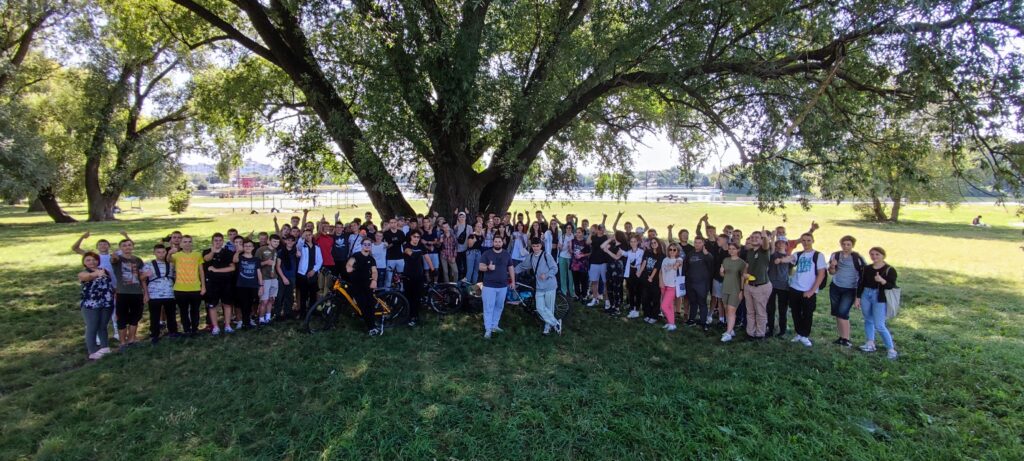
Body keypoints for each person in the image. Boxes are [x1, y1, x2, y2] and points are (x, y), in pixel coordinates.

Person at [856, 247, 899, 359]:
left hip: (879, 297)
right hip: (866, 294)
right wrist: (858, 297)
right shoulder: (867, 268)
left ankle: (891, 350)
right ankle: (870, 343)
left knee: (879, 325)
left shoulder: (889, 269)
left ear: (883, 256)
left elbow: (891, 286)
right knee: (868, 320)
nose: (874, 256)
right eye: (872, 254)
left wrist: (882, 280)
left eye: (877, 254)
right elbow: (861, 283)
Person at [785, 233, 827, 347]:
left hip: (808, 290)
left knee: (808, 313)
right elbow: (790, 259)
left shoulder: (818, 255)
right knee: (795, 312)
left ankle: (805, 335)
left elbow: (821, 274)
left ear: (813, 241)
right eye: (803, 240)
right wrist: (782, 259)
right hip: (795, 288)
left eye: (808, 240)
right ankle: (799, 333)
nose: (806, 243)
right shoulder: (798, 254)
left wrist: (812, 291)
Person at [516, 238, 561, 335]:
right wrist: (511, 271)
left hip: (549, 285)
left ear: (541, 246)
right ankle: (556, 323)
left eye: (537, 246)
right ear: (531, 246)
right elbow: (523, 266)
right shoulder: (530, 256)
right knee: (540, 308)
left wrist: (547, 275)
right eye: (534, 246)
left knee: (549, 308)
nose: (536, 248)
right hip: (539, 286)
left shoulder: (546, 255)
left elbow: (555, 268)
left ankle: (547, 327)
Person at [828, 236, 866, 347]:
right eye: (843, 244)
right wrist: (832, 266)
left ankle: (846, 339)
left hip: (850, 288)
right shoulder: (835, 255)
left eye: (848, 244)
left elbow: (863, 274)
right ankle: (841, 337)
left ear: (852, 245)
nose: (845, 246)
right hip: (835, 286)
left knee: (843, 313)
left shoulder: (857, 257)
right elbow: (832, 272)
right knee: (837, 313)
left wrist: (859, 295)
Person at [108, 239, 145, 347]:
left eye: (129, 245)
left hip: (137, 293)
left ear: (133, 246)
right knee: (122, 318)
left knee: (136, 317)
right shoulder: (118, 259)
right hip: (122, 293)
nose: (127, 247)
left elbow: (141, 276)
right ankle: (123, 342)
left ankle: (131, 339)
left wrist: (145, 292)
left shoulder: (138, 260)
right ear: (120, 248)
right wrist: (114, 256)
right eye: (124, 245)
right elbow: (114, 259)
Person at [78, 252, 114, 360]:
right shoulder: (83, 273)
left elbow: (109, 283)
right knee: (92, 326)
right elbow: (87, 277)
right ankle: (92, 351)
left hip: (106, 302)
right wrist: (97, 273)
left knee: (103, 326)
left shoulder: (105, 271)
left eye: (94, 259)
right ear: (84, 262)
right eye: (88, 260)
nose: (92, 262)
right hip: (90, 304)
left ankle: (104, 347)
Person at [478, 235, 515, 339]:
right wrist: (488, 267)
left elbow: (511, 268)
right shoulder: (487, 253)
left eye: (499, 241)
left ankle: (494, 325)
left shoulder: (506, 254)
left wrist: (513, 281)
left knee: (499, 306)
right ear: (493, 242)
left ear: (502, 243)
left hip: (503, 286)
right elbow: (480, 267)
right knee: (488, 307)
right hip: (489, 286)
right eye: (496, 241)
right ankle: (488, 329)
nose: (497, 243)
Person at [141, 244, 178, 344]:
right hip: (154, 294)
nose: (161, 254)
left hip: (170, 293)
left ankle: (173, 332)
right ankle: (155, 334)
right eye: (158, 252)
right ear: (154, 253)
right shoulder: (148, 264)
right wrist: (146, 294)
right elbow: (142, 279)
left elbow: (176, 277)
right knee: (155, 316)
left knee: (171, 314)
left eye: (163, 252)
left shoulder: (171, 264)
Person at [345, 238, 382, 336]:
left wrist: (374, 280)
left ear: (371, 246)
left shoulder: (371, 259)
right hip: (356, 285)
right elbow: (349, 265)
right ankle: (371, 327)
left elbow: (374, 271)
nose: (367, 246)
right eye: (365, 244)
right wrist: (351, 268)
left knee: (371, 305)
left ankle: (372, 325)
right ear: (361, 245)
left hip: (368, 284)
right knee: (363, 306)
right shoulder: (356, 255)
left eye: (369, 244)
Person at [203, 233, 236, 335]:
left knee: (227, 304)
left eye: (220, 240)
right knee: (212, 305)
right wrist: (213, 252)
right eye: (216, 240)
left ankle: (227, 325)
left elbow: (232, 268)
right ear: (212, 241)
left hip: (226, 282)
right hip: (212, 283)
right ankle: (215, 327)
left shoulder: (228, 252)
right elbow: (206, 259)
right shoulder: (207, 251)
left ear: (223, 241)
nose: (218, 242)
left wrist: (216, 270)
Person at [742, 231, 773, 339]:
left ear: (761, 239)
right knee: (750, 311)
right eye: (752, 237)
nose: (754, 239)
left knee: (760, 312)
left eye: (757, 237)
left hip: (761, 286)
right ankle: (750, 333)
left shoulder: (764, 250)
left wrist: (765, 237)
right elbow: (747, 265)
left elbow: (766, 245)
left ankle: (760, 334)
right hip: (749, 285)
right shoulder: (750, 251)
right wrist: (744, 274)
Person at [171, 235, 205, 335]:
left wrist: (203, 286)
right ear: (181, 244)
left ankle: (194, 328)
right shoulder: (176, 255)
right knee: (183, 311)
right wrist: (169, 253)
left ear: (192, 243)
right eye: (185, 242)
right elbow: (168, 260)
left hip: (195, 288)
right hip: (180, 289)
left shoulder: (198, 255)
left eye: (189, 241)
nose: (187, 244)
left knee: (195, 310)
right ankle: (186, 329)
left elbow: (201, 271)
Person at [402, 230, 432, 326]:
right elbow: (411, 254)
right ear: (411, 237)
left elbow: (427, 257)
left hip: (419, 275)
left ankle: (415, 316)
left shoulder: (421, 246)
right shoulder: (406, 245)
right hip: (408, 275)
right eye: (414, 236)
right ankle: (408, 316)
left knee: (417, 297)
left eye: (418, 237)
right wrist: (420, 252)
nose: (416, 238)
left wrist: (432, 269)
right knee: (409, 296)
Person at [683, 236, 714, 330]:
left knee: (702, 302)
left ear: (703, 243)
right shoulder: (690, 253)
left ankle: (703, 322)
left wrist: (707, 255)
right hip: (691, 282)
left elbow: (711, 263)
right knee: (693, 302)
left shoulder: (706, 254)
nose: (697, 244)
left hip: (702, 283)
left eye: (699, 242)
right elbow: (685, 266)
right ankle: (691, 319)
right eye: (696, 242)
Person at [719, 242, 747, 342]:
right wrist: (721, 272)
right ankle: (730, 330)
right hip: (725, 287)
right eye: (729, 248)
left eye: (733, 249)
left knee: (731, 310)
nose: (731, 250)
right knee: (727, 309)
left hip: (736, 289)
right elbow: (723, 275)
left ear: (738, 250)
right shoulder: (725, 260)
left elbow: (743, 278)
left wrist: (742, 291)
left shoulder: (742, 263)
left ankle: (728, 333)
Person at [767, 239, 793, 337]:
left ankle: (782, 330)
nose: (781, 244)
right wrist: (773, 237)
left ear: (786, 245)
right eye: (779, 243)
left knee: (783, 309)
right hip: (771, 284)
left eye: (783, 243)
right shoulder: (773, 254)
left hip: (784, 286)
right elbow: (771, 249)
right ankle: (770, 329)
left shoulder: (790, 257)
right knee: (770, 308)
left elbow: (791, 269)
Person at [296, 229, 323, 320]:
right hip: (302, 274)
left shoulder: (317, 247)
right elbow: (299, 245)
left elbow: (320, 261)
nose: (308, 237)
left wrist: (314, 270)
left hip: (313, 273)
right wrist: (302, 238)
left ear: (312, 235)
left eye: (309, 235)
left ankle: (312, 312)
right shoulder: (301, 246)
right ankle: (303, 313)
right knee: (303, 295)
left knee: (313, 294)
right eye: (306, 235)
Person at [233, 240, 261, 329]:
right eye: (246, 246)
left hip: (253, 284)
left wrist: (261, 285)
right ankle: (245, 323)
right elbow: (234, 260)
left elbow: (258, 272)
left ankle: (248, 320)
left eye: (250, 246)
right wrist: (238, 251)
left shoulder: (256, 259)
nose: (248, 247)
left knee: (250, 303)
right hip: (242, 285)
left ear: (253, 248)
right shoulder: (240, 257)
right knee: (243, 304)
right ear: (243, 247)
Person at [637, 238, 664, 324]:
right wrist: (639, 272)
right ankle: (647, 314)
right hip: (645, 277)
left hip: (655, 279)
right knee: (645, 297)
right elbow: (644, 262)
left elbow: (657, 267)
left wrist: (651, 277)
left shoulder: (661, 255)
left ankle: (654, 316)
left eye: (655, 242)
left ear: (658, 243)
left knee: (655, 298)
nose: (653, 244)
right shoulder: (648, 252)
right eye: (651, 243)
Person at [601, 231, 627, 316]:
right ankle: (612, 306)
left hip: (617, 270)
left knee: (616, 289)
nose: (613, 236)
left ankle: (617, 308)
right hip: (610, 268)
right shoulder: (613, 244)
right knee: (609, 288)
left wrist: (607, 251)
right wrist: (609, 240)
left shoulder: (623, 246)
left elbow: (617, 257)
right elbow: (602, 246)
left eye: (614, 235)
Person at [256, 235, 281, 325]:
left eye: (278, 242)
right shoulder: (261, 250)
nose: (276, 243)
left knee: (271, 299)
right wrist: (266, 262)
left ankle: (268, 317)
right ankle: (261, 319)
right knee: (264, 300)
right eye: (274, 241)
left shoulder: (276, 251)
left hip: (274, 278)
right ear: (269, 241)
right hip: (264, 278)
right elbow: (256, 264)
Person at [659, 243, 684, 331]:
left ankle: (672, 324)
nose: (672, 251)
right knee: (669, 306)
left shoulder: (679, 259)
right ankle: (670, 322)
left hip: (672, 287)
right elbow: (661, 271)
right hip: (664, 286)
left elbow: (678, 264)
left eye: (674, 250)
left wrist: (675, 265)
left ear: (677, 251)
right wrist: (661, 282)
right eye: (670, 249)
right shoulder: (665, 259)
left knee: (664, 306)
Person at [274, 235, 299, 320]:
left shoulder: (295, 251)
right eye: (288, 240)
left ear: (294, 242)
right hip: (282, 276)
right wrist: (283, 278)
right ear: (285, 241)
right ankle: (277, 314)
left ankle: (287, 313)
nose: (290, 242)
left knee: (289, 296)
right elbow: (278, 266)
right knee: (279, 296)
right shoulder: (281, 252)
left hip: (292, 276)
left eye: (292, 240)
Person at [623, 234, 645, 319]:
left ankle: (637, 310)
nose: (633, 243)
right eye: (631, 241)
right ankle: (632, 309)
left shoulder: (641, 252)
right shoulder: (628, 252)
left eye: (634, 241)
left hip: (638, 273)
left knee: (638, 292)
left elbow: (641, 262)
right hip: (630, 274)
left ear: (637, 242)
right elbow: (622, 253)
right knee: (631, 292)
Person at [587, 224, 609, 307]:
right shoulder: (593, 237)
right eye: (599, 229)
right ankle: (594, 299)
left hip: (604, 262)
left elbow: (611, 240)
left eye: (602, 228)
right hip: (594, 262)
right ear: (597, 229)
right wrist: (591, 233)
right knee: (594, 282)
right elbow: (587, 242)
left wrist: (606, 232)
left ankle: (607, 301)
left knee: (605, 282)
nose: (601, 230)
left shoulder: (606, 237)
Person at [382, 218, 406, 289]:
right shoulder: (386, 233)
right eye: (391, 223)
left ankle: (401, 290)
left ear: (397, 223)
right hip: (390, 258)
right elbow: (386, 246)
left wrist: (393, 242)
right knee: (389, 276)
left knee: (401, 275)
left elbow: (404, 243)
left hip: (400, 257)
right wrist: (394, 243)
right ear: (389, 224)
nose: (393, 224)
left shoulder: (401, 233)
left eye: (394, 222)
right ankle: (387, 291)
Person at [569, 228, 590, 300]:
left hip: (583, 265)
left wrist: (582, 255)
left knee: (584, 281)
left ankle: (584, 296)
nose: (577, 234)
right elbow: (570, 250)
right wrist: (571, 251)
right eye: (576, 232)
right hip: (574, 265)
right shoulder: (572, 241)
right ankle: (577, 295)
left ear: (583, 233)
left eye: (579, 232)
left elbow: (589, 252)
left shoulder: (586, 242)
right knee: (576, 281)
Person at [557, 223, 575, 297]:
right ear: (565, 229)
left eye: (570, 228)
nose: (568, 229)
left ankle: (572, 292)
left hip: (571, 258)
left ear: (572, 229)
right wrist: (566, 246)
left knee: (571, 276)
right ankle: (564, 291)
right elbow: (560, 248)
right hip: (562, 257)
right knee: (563, 275)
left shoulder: (574, 237)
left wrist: (571, 248)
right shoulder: (562, 236)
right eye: (567, 228)